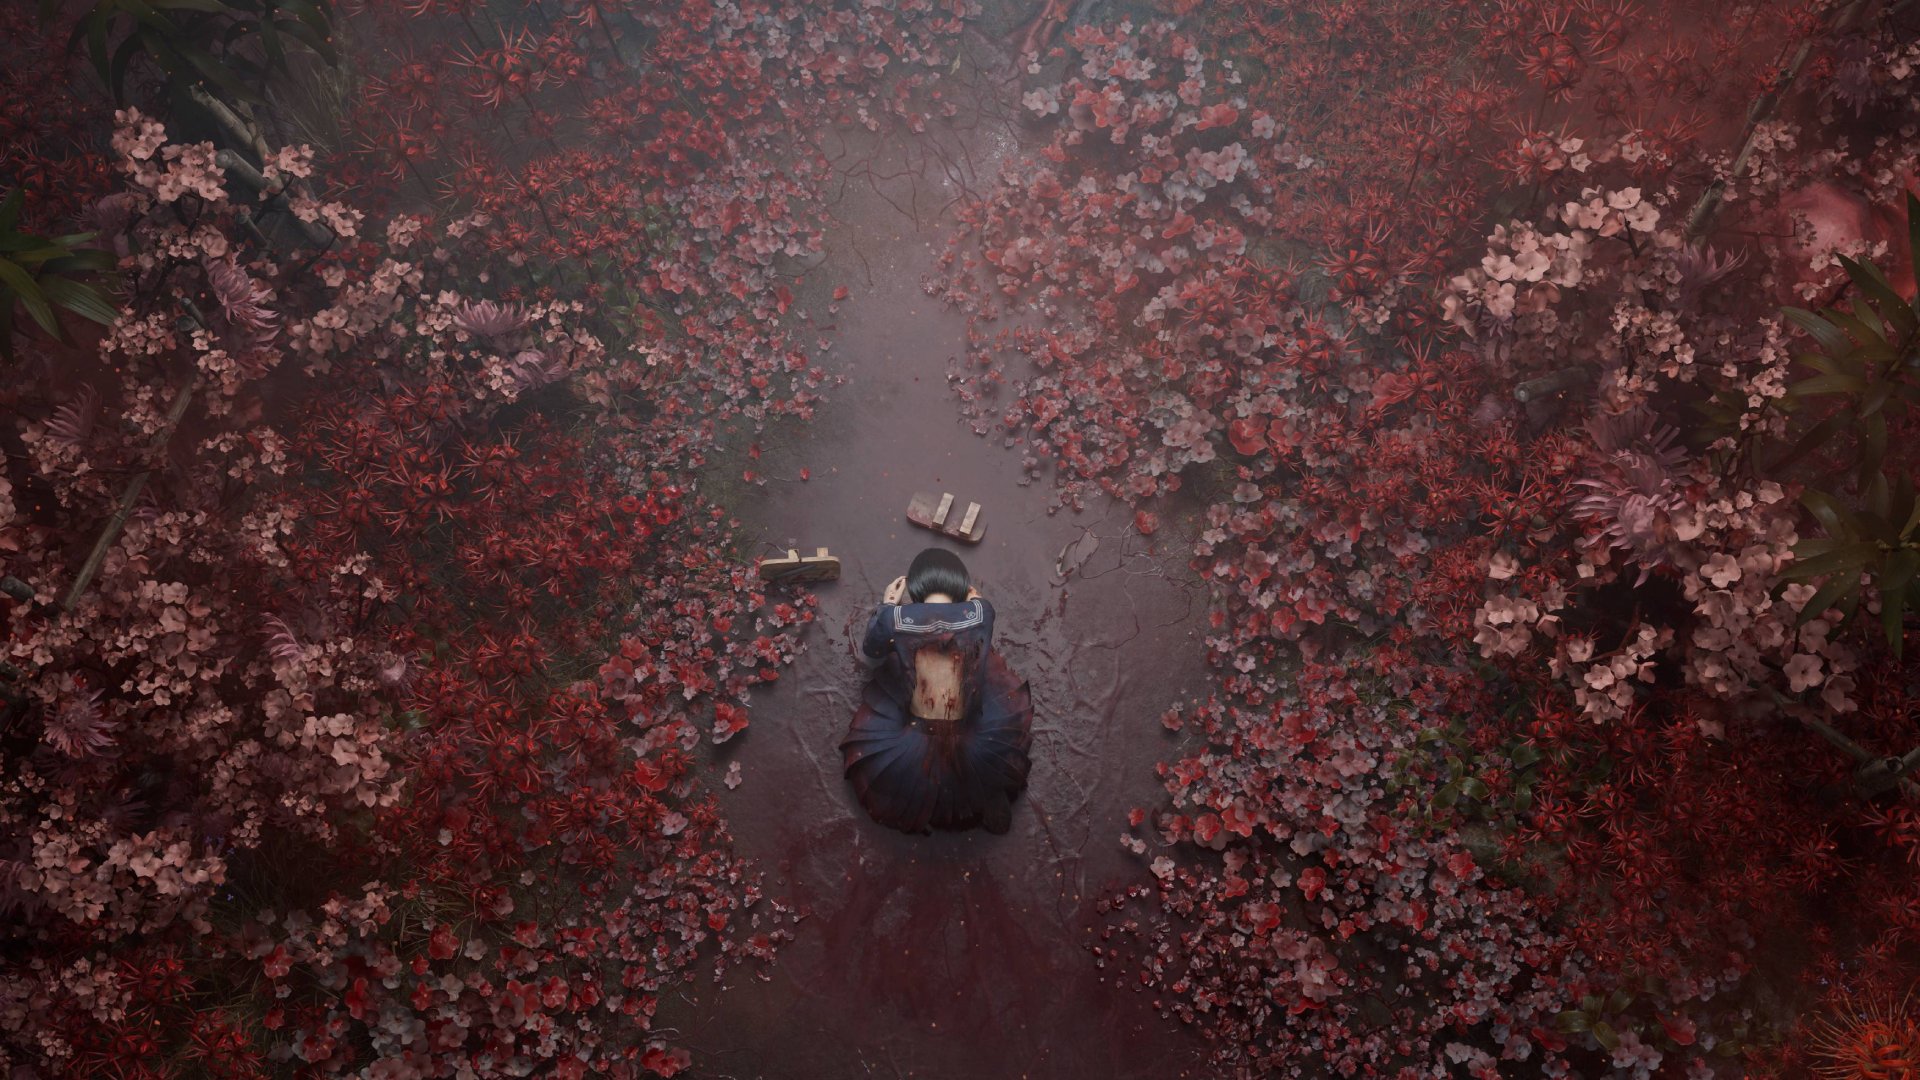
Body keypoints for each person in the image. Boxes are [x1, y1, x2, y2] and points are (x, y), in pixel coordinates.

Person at [840, 547, 1033, 835]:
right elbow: (977, 609)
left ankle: (941, 800)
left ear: (915, 588)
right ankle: (985, 794)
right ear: (961, 587)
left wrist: (887, 606)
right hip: (973, 731)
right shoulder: (983, 612)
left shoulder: (896, 618)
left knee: (896, 667)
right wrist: (975, 600)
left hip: (914, 735)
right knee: (982, 660)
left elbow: (873, 650)